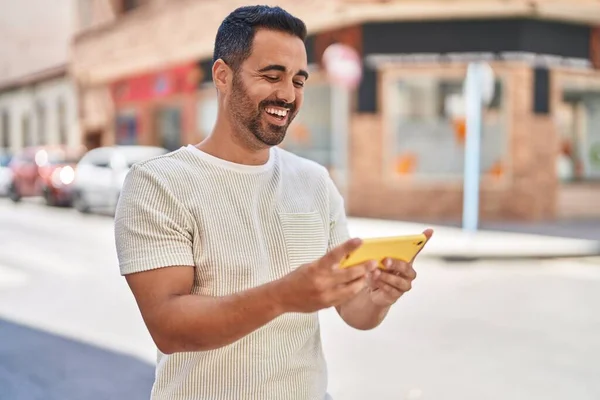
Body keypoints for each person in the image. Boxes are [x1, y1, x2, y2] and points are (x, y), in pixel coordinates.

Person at [114, 5, 432, 400]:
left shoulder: (314, 181)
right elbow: (169, 327)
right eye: (272, 75)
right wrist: (284, 295)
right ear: (222, 76)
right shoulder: (158, 184)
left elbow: (354, 311)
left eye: (299, 80)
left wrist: (379, 297)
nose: (288, 94)